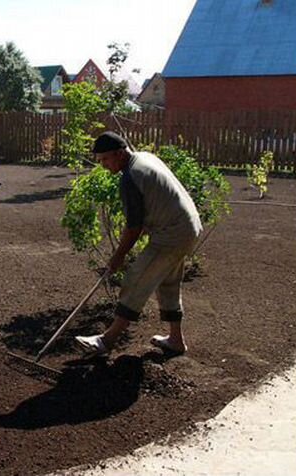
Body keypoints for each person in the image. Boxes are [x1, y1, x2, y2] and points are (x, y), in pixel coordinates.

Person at [75, 131, 202, 357]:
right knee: (169, 283)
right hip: (189, 226)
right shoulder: (145, 157)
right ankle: (176, 340)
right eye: (100, 160)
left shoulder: (131, 177)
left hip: (171, 233)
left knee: (136, 280)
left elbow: (134, 227)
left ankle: (106, 341)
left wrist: (118, 256)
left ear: (120, 153)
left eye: (105, 159)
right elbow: (148, 210)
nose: (103, 165)